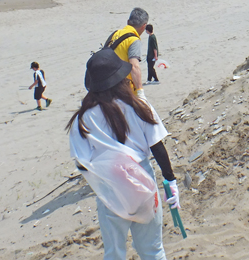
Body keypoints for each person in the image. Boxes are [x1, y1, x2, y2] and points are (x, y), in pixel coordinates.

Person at [68, 49, 179, 260]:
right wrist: (170, 181)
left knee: (114, 253)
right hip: (143, 182)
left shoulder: (82, 120)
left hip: (110, 190)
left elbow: (82, 164)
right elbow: (157, 147)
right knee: (153, 250)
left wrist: (106, 174)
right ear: (121, 78)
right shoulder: (138, 106)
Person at [104, 7, 148, 100]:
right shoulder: (133, 40)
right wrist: (140, 92)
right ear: (144, 26)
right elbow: (134, 66)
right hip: (123, 89)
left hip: (106, 85)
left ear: (128, 22)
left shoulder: (115, 34)